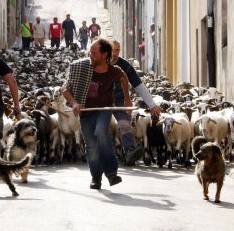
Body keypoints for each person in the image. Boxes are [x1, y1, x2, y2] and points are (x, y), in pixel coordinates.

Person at [62, 38, 131, 190]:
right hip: (85, 112)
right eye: (90, 52)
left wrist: (127, 98)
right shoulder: (82, 68)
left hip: (103, 110)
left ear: (104, 54)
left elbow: (123, 78)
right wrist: (74, 102)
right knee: (91, 146)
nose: (90, 55)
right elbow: (65, 89)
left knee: (101, 132)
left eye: (93, 53)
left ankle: (112, 173)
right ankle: (96, 177)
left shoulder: (114, 71)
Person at [111, 40, 161, 166]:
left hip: (120, 98)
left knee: (125, 124)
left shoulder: (124, 65)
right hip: (102, 99)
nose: (115, 53)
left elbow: (138, 85)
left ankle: (129, 151)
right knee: (101, 126)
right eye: (112, 50)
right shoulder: (98, 62)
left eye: (117, 50)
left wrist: (152, 105)